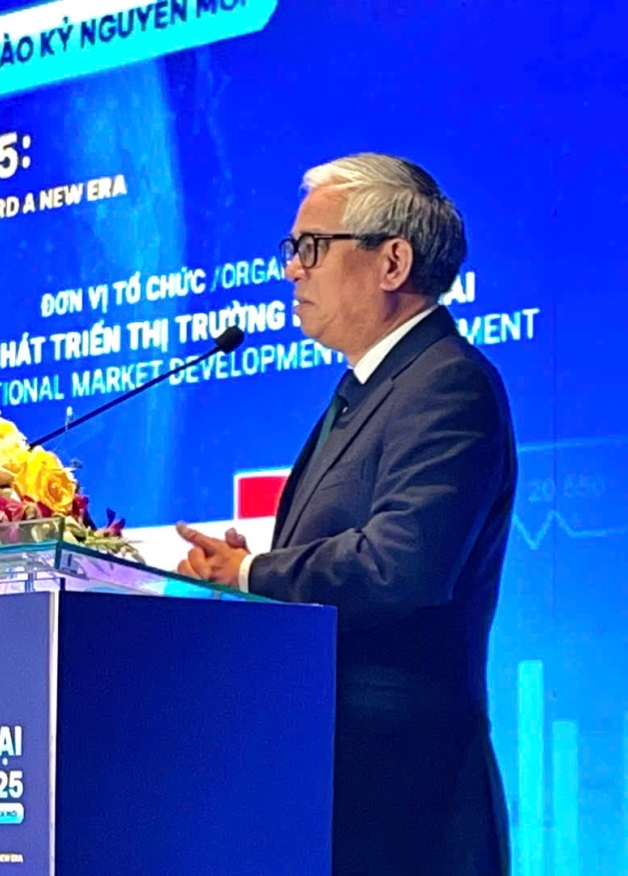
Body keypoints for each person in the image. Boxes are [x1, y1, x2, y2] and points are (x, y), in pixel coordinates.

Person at [176, 153, 515, 875]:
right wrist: (248, 579)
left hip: (406, 799)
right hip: (336, 784)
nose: (291, 269)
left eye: (311, 247)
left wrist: (252, 573)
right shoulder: (372, 388)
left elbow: (400, 565)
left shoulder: (447, 383)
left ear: (392, 262)